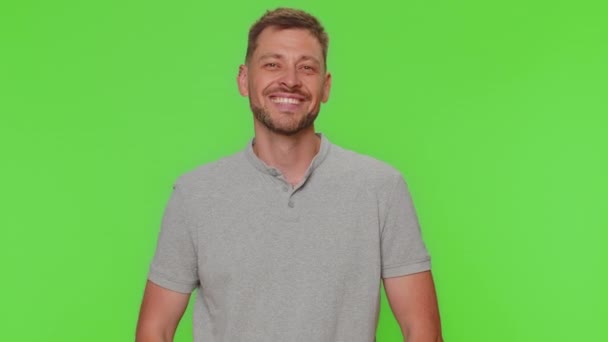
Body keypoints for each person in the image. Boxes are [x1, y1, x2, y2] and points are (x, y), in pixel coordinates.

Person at [136, 7, 443, 342]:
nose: (291, 80)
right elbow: (156, 329)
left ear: (325, 86)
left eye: (306, 68)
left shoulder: (381, 188)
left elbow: (422, 330)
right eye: (272, 64)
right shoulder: (194, 194)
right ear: (243, 79)